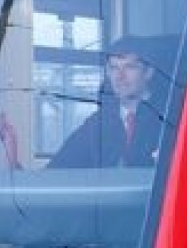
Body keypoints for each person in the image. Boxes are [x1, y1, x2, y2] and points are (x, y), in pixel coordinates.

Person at [49, 35, 166, 168]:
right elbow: (58, 168)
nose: (120, 76)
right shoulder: (97, 124)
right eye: (114, 68)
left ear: (149, 72)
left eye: (130, 67)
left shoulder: (170, 120)